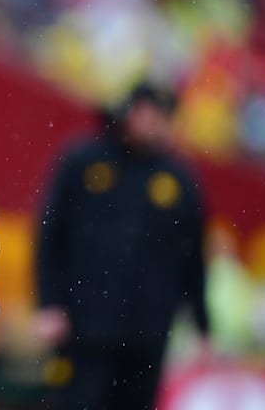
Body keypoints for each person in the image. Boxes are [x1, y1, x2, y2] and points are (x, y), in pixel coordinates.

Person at [33, 82, 209, 410]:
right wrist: (49, 303)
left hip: (148, 331)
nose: (152, 123)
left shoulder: (178, 179)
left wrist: (202, 322)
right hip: (85, 325)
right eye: (146, 113)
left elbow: (192, 255)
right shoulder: (83, 162)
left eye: (161, 116)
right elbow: (50, 237)